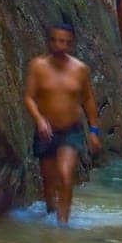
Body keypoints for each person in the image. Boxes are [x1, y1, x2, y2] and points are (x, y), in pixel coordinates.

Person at [23, 21, 102, 225]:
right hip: (46, 132)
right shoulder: (38, 66)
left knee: (66, 177)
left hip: (71, 130)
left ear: (72, 44)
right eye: (57, 41)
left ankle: (62, 226)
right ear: (49, 42)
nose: (61, 46)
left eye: (66, 42)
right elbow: (29, 97)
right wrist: (39, 120)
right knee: (49, 182)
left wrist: (94, 130)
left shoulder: (80, 69)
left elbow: (88, 100)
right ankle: (51, 217)